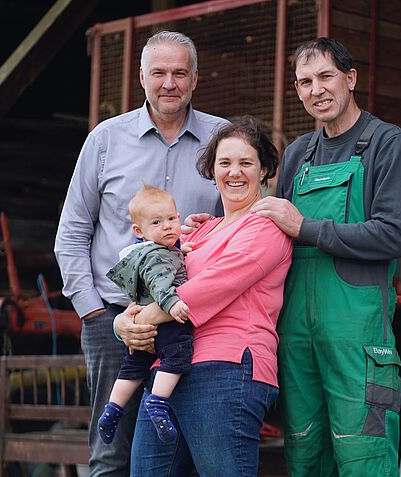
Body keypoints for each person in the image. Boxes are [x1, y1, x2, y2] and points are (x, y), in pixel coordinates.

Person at [54, 31, 228, 476]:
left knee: (180, 451)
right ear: (141, 77)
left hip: (191, 320)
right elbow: (72, 232)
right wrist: (95, 316)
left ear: (195, 79)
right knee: (111, 453)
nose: (169, 83)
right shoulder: (105, 140)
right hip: (116, 321)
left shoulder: (222, 141)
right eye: (159, 73)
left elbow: (241, 226)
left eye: (179, 73)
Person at [250, 38, 401, 476]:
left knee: (364, 457)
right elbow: (269, 235)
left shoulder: (388, 144)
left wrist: (305, 228)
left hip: (358, 342)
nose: (316, 90)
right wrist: (212, 227)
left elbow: (392, 235)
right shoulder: (296, 155)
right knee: (304, 458)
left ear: (350, 78)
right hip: (297, 339)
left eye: (325, 76)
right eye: (304, 82)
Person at [114, 117, 292, 476]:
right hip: (170, 370)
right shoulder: (201, 230)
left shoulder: (265, 226)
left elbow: (212, 288)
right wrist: (122, 322)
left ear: (265, 169)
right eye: (224, 163)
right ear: (212, 170)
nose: (234, 172)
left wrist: (141, 321)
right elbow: (155, 283)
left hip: (227, 368)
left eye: (246, 163)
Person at [99, 185, 193, 445]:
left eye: (172, 219)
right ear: (139, 231)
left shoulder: (146, 252)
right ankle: (159, 402)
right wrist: (173, 304)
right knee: (178, 354)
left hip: (143, 329)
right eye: (157, 222)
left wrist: (180, 250)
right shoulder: (158, 258)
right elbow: (160, 283)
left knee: (133, 367)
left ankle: (113, 408)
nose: (168, 226)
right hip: (167, 322)